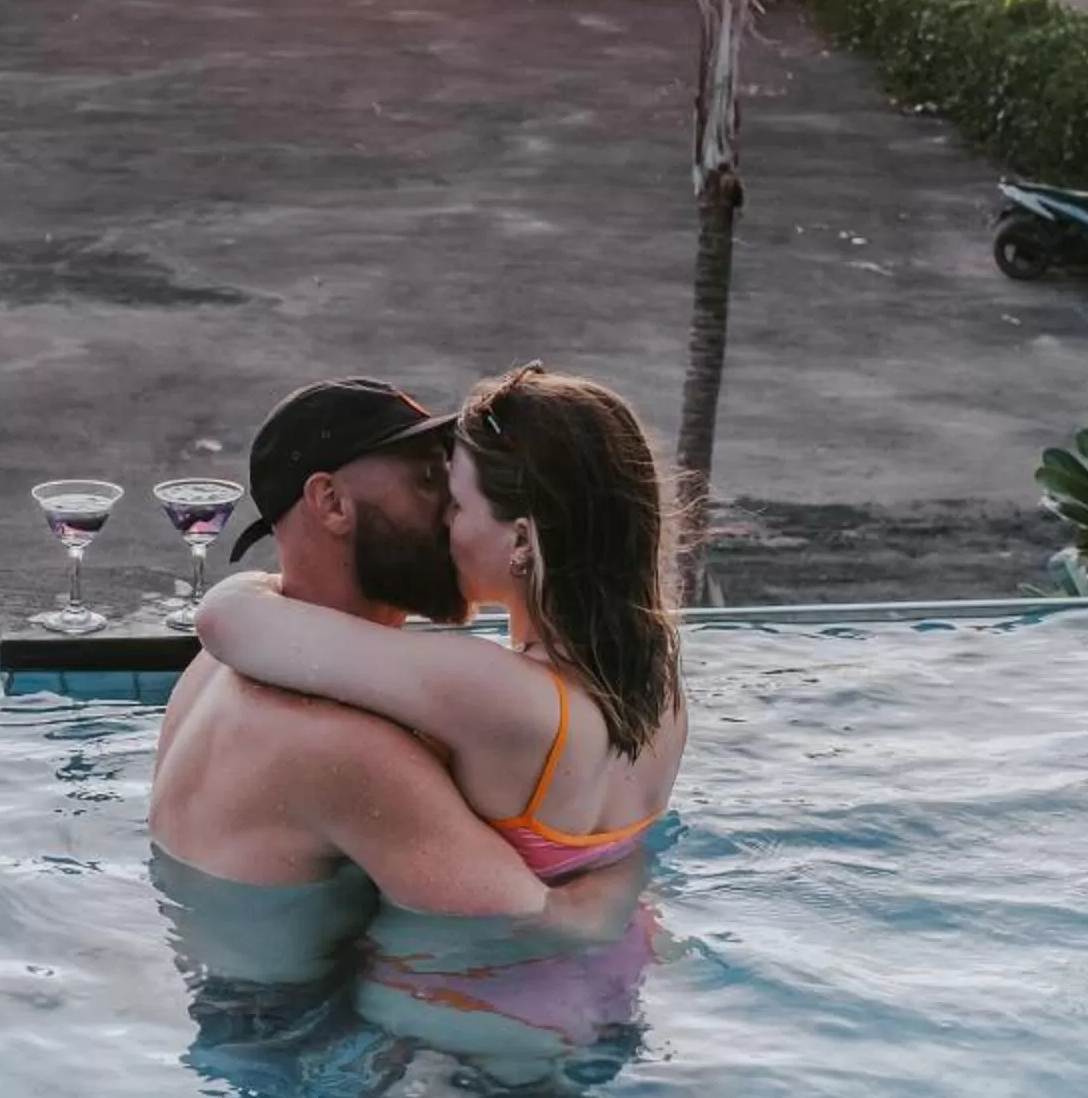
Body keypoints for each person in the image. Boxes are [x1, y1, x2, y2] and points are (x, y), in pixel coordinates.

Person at [193, 363, 687, 886]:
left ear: (522, 541)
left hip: (481, 943)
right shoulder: (662, 683)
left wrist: (245, 584)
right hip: (632, 937)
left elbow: (225, 620)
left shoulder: (494, 689)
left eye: (456, 503)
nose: (443, 522)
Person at [148, 377, 552, 960]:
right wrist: (621, 869)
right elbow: (552, 925)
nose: (455, 512)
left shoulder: (214, 663)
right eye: (428, 481)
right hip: (307, 1016)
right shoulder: (345, 750)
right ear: (332, 503)